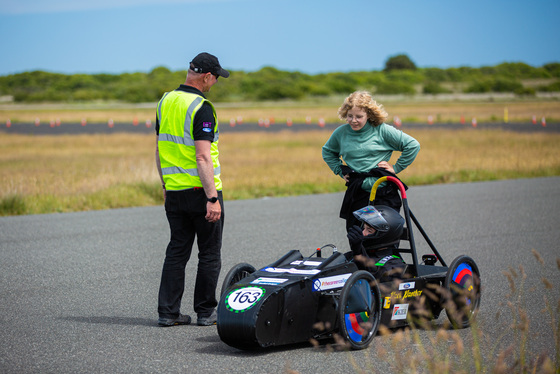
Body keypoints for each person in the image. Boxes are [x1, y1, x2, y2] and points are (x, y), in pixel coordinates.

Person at [155, 52, 229, 327]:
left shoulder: (165, 101)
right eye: (216, 78)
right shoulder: (202, 107)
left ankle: (168, 312)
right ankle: (206, 311)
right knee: (209, 253)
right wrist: (212, 197)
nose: (215, 84)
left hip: (174, 191)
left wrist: (165, 184)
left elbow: (159, 148)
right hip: (201, 191)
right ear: (206, 76)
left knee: (177, 250)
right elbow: (202, 157)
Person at [322, 91, 420, 231]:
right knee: (356, 234)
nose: (353, 120)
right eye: (350, 116)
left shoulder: (382, 130)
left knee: (382, 234)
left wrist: (396, 167)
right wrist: (339, 170)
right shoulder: (341, 133)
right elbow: (328, 151)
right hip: (357, 190)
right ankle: (359, 254)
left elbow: (413, 145)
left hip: (383, 191)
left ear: (369, 115)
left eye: (359, 116)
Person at [345, 205, 406, 282]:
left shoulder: (394, 263)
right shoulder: (355, 254)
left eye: (369, 230)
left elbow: (374, 278)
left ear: (383, 236)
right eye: (364, 228)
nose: (363, 233)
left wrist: (359, 253)